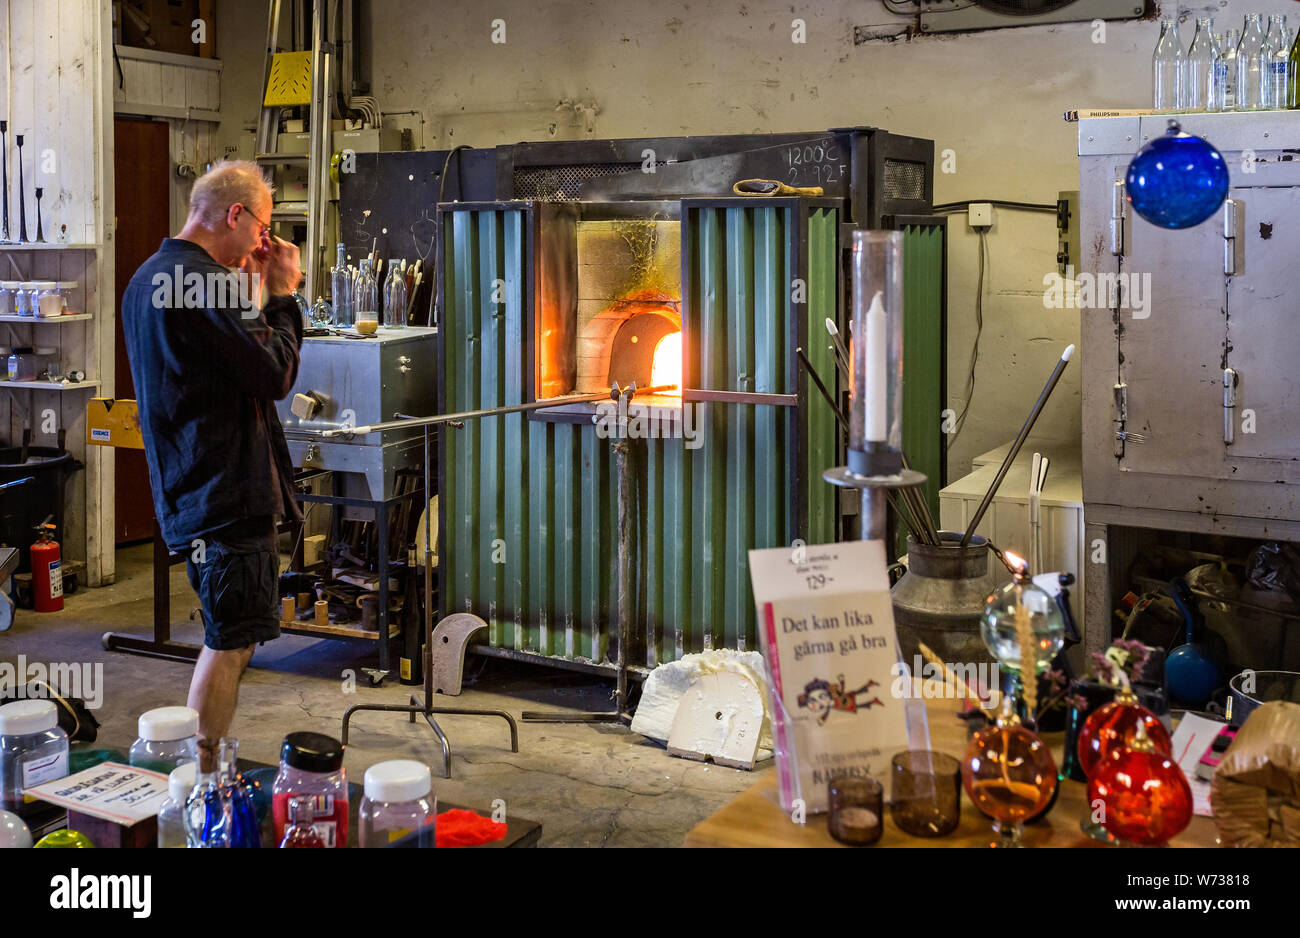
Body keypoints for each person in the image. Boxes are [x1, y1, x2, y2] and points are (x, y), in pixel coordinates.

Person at [122, 161, 303, 771]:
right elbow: (273, 373)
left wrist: (252, 293)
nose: (264, 243)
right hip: (225, 492)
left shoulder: (149, 277)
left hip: (190, 485)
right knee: (228, 642)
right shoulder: (205, 284)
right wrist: (283, 297)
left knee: (235, 634)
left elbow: (224, 360)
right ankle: (199, 783)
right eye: (263, 228)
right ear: (236, 215)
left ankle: (202, 775)